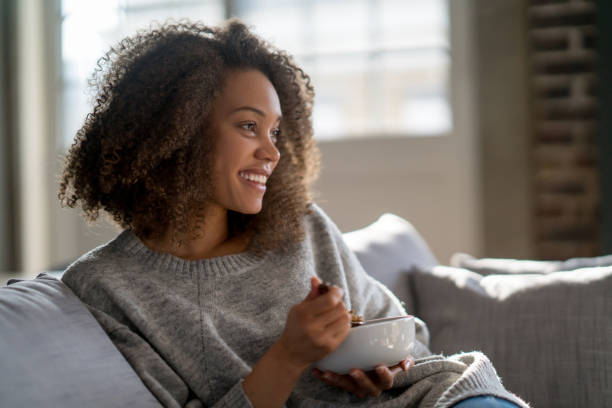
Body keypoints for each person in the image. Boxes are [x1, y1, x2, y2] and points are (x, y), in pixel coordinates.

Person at [58, 20, 528, 408]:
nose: (272, 152)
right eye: (248, 126)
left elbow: (409, 341)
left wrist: (385, 366)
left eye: (276, 131)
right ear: (174, 131)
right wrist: (287, 356)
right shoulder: (107, 288)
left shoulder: (301, 227)